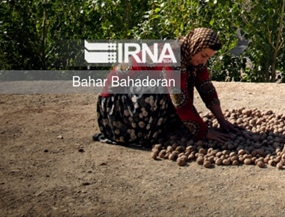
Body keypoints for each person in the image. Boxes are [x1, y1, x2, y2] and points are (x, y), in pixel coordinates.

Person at [94, 27, 240, 147]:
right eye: (203, 55)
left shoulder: (192, 56)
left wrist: (222, 121)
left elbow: (206, 87)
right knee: (162, 89)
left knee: (174, 86)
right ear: (196, 46)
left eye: (208, 57)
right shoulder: (172, 57)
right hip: (117, 104)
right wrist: (204, 131)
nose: (204, 60)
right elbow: (180, 100)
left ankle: (161, 127)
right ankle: (140, 133)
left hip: (132, 99)